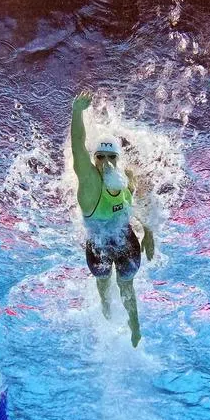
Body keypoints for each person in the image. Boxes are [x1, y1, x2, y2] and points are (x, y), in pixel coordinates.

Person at [71, 91, 155, 348]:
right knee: (104, 281)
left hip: (127, 242)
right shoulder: (89, 185)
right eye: (100, 157)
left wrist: (149, 232)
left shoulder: (126, 175)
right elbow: (77, 147)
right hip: (98, 248)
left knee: (127, 286)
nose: (106, 162)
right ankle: (107, 310)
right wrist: (77, 112)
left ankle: (135, 327)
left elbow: (138, 205)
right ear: (94, 159)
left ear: (118, 158)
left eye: (111, 157)